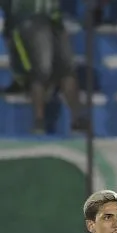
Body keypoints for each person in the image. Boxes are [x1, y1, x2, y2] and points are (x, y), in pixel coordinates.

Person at [8, 0, 87, 134]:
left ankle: (77, 120)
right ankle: (39, 122)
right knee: (41, 70)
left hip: (55, 19)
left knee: (67, 70)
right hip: (30, 17)